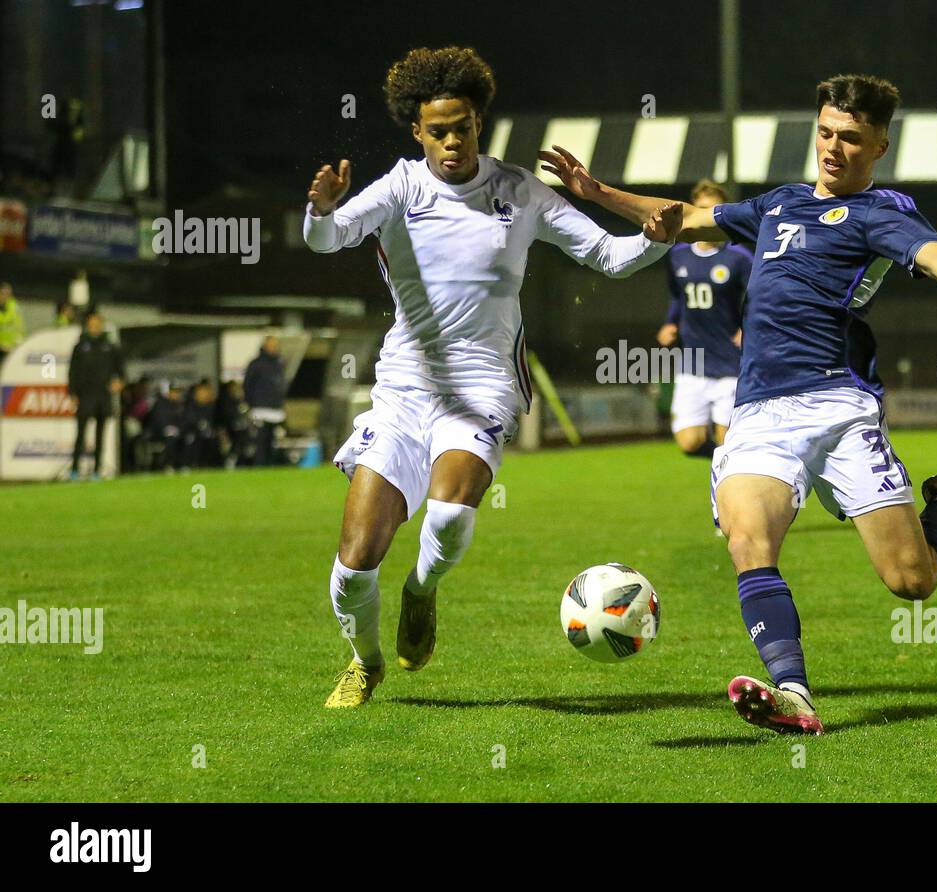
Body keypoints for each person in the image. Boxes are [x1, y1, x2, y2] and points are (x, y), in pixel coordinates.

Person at [539, 73, 937, 734]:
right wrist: (597, 192)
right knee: (747, 539)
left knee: (912, 584)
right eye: (826, 132)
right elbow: (685, 218)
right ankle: (793, 693)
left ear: (880, 148)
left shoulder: (881, 214)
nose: (834, 148)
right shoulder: (777, 204)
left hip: (838, 407)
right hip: (757, 413)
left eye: (852, 139)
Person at [303, 45, 681, 708]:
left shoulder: (518, 192)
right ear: (416, 131)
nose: (453, 142)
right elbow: (325, 241)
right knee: (355, 564)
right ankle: (364, 661)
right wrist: (321, 211)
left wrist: (651, 237)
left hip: (482, 386)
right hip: (402, 389)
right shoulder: (399, 188)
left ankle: (421, 590)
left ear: (480, 123)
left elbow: (608, 257)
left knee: (447, 515)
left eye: (464, 127)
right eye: (438, 131)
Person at [655, 180, 753, 459]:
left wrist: (748, 327)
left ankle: (733, 475)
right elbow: (677, 296)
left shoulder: (738, 257)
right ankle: (727, 462)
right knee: (689, 442)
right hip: (693, 361)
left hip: (730, 362)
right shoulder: (678, 255)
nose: (704, 216)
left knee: (728, 441)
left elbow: (758, 295)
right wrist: (670, 323)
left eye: (711, 210)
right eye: (699, 209)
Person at [67, 311, 123, 480]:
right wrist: (73, 392)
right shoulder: (80, 346)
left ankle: (97, 470)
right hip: (85, 395)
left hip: (103, 396)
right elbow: (73, 371)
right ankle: (75, 470)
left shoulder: (110, 346)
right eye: (92, 323)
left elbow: (120, 370)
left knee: (101, 434)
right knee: (81, 434)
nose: (95, 326)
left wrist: (119, 382)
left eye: (97, 323)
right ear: (87, 325)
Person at [242, 335, 286, 466]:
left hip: (275, 410)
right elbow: (247, 385)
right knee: (260, 441)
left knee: (272, 442)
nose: (274, 348)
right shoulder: (256, 364)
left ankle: (270, 467)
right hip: (260, 409)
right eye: (272, 345)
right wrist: (252, 403)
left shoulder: (279, 364)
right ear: (265, 346)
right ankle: (258, 467)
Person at [0, 282, 25, 368]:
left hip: (12, 349)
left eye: (8, 294)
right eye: (4, 293)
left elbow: (19, 326)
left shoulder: (14, 306)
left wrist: (20, 343)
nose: (6, 296)